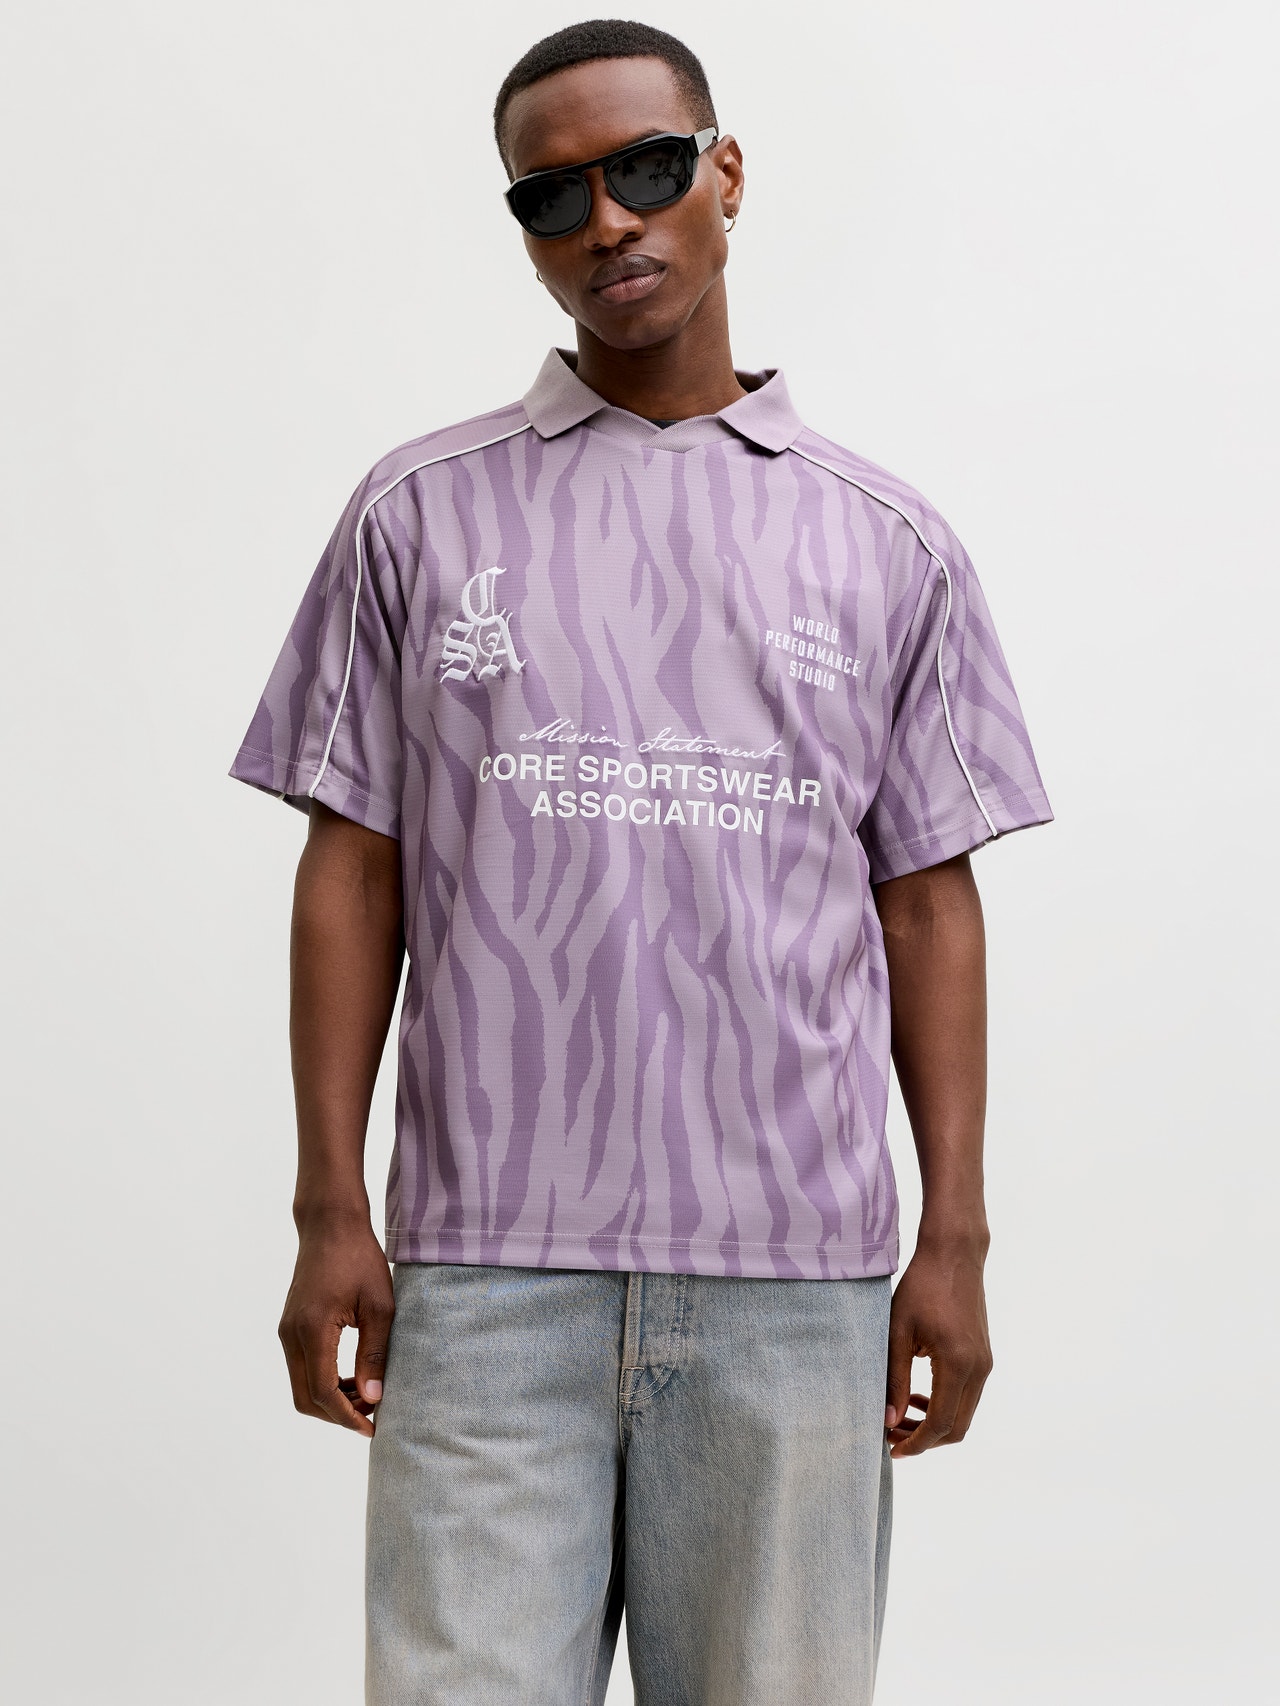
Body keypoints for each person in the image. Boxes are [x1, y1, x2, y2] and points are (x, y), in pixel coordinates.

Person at [229, 18, 1053, 1705]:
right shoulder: (417, 515)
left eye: (647, 169)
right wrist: (328, 1208)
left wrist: (956, 1236)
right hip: (486, 1269)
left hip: (795, 1279)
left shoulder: (884, 541)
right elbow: (352, 869)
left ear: (726, 175)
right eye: (552, 196)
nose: (607, 219)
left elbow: (926, 901)